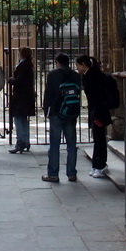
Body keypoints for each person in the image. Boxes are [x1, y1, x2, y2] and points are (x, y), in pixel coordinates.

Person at [42, 53, 81, 182]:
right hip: (71, 112)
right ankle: (71, 173)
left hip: (55, 112)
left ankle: (53, 174)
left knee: (54, 144)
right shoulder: (75, 75)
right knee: (71, 144)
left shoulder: (53, 74)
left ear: (57, 62)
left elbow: (48, 94)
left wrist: (46, 110)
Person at [76, 55, 117, 178]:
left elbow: (98, 97)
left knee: (99, 139)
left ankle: (100, 165)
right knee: (97, 138)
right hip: (95, 111)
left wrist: (97, 115)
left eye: (77, 64)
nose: (76, 67)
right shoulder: (88, 75)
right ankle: (96, 164)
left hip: (99, 112)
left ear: (83, 64)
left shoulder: (94, 76)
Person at [7, 46, 36, 153]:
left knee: (18, 119)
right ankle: (26, 141)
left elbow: (19, 81)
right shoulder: (28, 65)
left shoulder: (23, 66)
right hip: (27, 96)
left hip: (20, 97)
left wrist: (11, 80)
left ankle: (20, 142)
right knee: (24, 120)